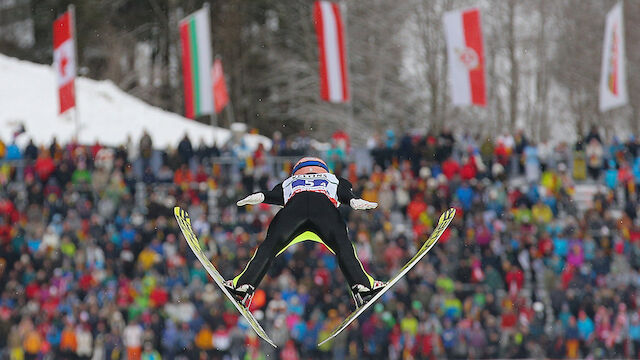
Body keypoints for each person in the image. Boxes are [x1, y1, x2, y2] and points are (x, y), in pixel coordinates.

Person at [225, 157, 386, 309]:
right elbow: (345, 194)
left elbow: (270, 195)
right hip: (323, 210)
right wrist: (353, 201)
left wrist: (259, 196)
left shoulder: (290, 181)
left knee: (269, 247)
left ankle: (243, 286)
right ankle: (362, 286)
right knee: (343, 246)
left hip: (294, 210)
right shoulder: (333, 178)